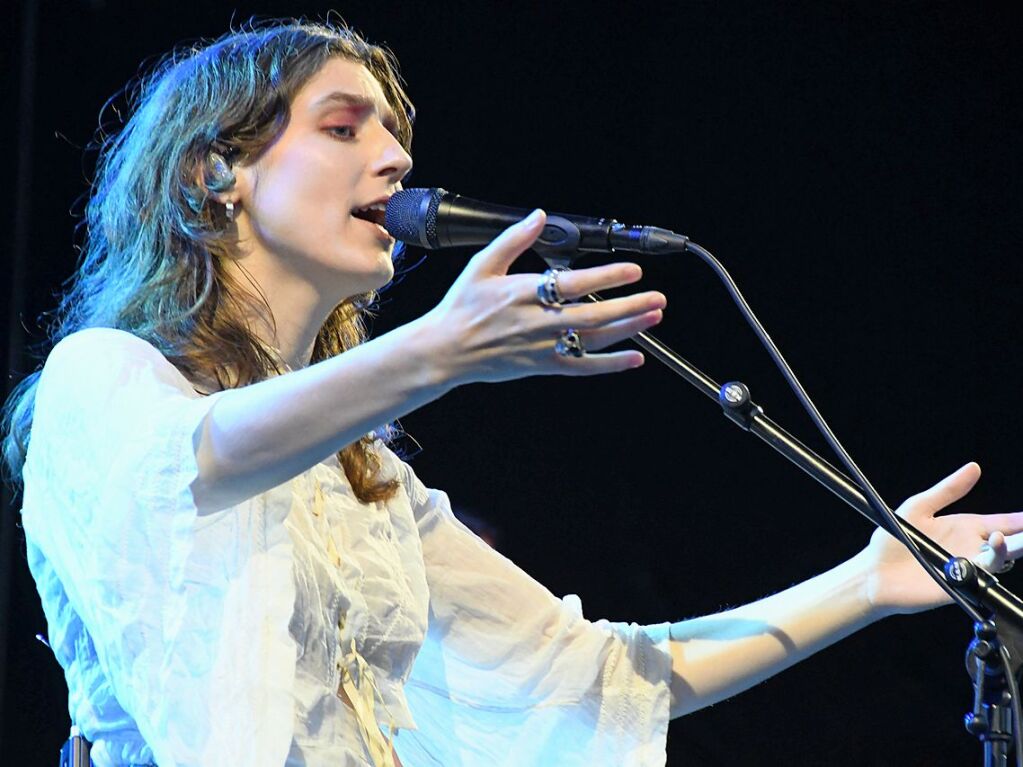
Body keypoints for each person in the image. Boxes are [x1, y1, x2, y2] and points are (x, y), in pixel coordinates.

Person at [2, 19, 1020, 767]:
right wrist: (439, 350)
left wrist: (863, 582)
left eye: (396, 133)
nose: (394, 156)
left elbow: (591, 676)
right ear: (213, 175)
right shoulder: (104, 377)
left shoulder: (368, 486)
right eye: (344, 127)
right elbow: (200, 462)